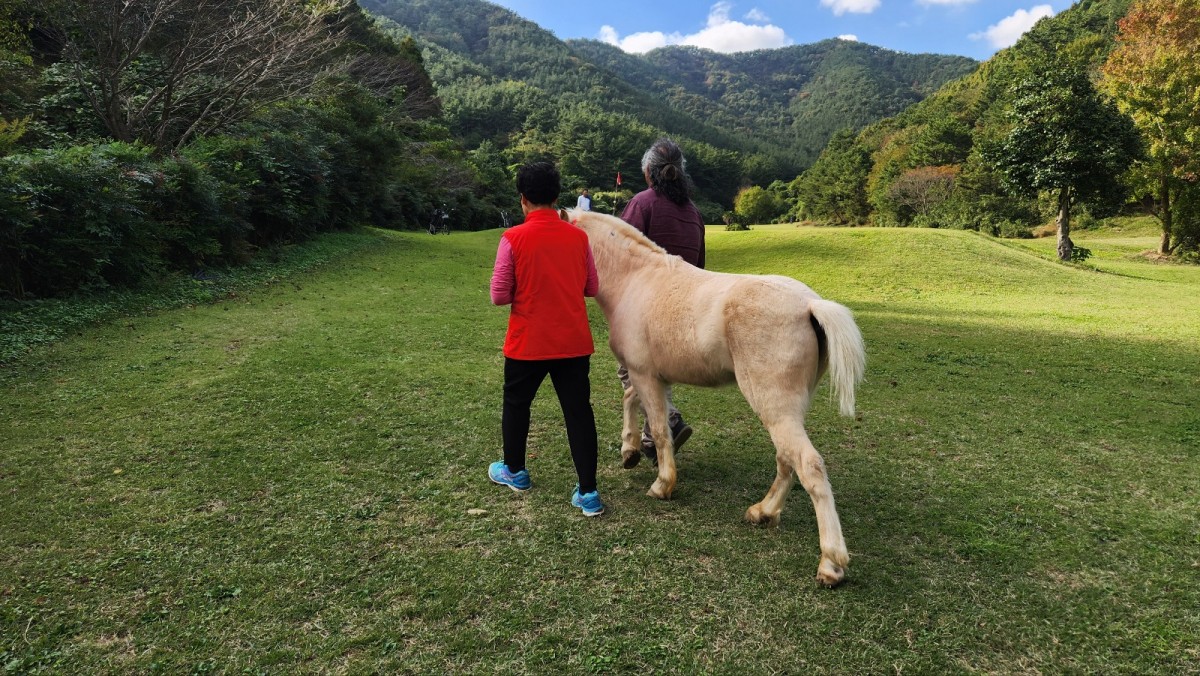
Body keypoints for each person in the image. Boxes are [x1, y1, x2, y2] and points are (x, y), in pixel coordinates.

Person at [487, 161, 605, 516]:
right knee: (578, 412)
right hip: (572, 342)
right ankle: (589, 493)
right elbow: (592, 288)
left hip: (528, 343)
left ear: (523, 199)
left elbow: (498, 294)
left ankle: (515, 470)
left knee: (517, 403)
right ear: (557, 197)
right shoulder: (578, 237)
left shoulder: (513, 238)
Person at [618, 138, 706, 466]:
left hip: (645, 306)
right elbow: (699, 267)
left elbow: (620, 254)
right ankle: (649, 439)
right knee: (655, 370)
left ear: (647, 173)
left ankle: (669, 420)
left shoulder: (642, 204)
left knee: (632, 367)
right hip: (684, 306)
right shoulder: (694, 213)